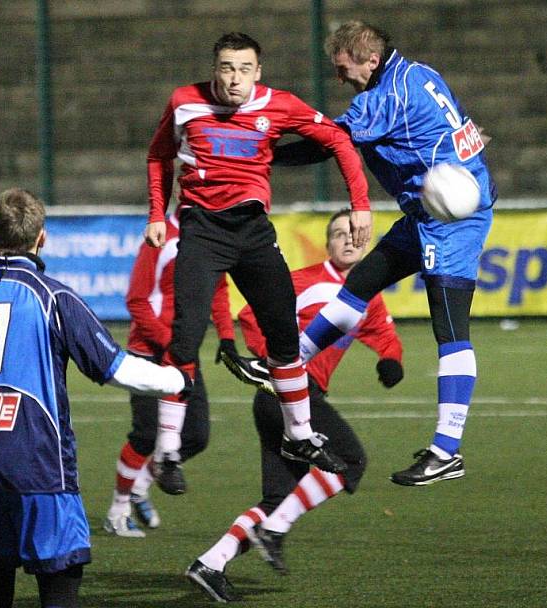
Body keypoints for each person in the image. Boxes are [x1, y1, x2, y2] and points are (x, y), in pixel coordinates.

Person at [0, 188, 191, 608]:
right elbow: (115, 368)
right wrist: (174, 379)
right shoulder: (55, 296)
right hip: (39, 461)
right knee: (60, 580)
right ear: (42, 238)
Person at [230, 21, 497, 486]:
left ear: (370, 60)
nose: (341, 78)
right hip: (433, 211)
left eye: (344, 68)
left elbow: (327, 145)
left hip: (452, 222)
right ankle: (285, 365)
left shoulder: (384, 99)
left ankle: (446, 450)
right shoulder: (419, 73)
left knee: (450, 328)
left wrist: (261, 155)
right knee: (359, 283)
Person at [144, 31, 374, 490]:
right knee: (186, 337)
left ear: (258, 72)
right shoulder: (185, 102)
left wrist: (361, 203)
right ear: (215, 69)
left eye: (244, 69)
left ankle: (300, 434)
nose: (235, 78)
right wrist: (157, 211)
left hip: (252, 233)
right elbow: (159, 155)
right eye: (227, 68)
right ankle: (167, 450)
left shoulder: (280, 105)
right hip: (201, 230)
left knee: (284, 336)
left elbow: (339, 141)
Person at [186, 209, 403, 602]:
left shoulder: (365, 293)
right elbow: (250, 314)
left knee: (278, 496)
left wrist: (391, 360)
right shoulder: (305, 280)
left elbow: (383, 333)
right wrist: (276, 360)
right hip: (290, 393)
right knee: (350, 461)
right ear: (328, 243)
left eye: (355, 233)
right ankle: (275, 529)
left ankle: (210, 564)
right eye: (339, 234)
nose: (349, 240)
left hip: (280, 400)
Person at [103, 207, 237, 537]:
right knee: (146, 435)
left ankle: (140, 486)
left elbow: (218, 290)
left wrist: (227, 337)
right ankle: (117, 511)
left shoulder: (213, 235)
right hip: (149, 352)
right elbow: (137, 300)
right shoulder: (160, 236)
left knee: (196, 436)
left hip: (183, 353)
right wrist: (170, 342)